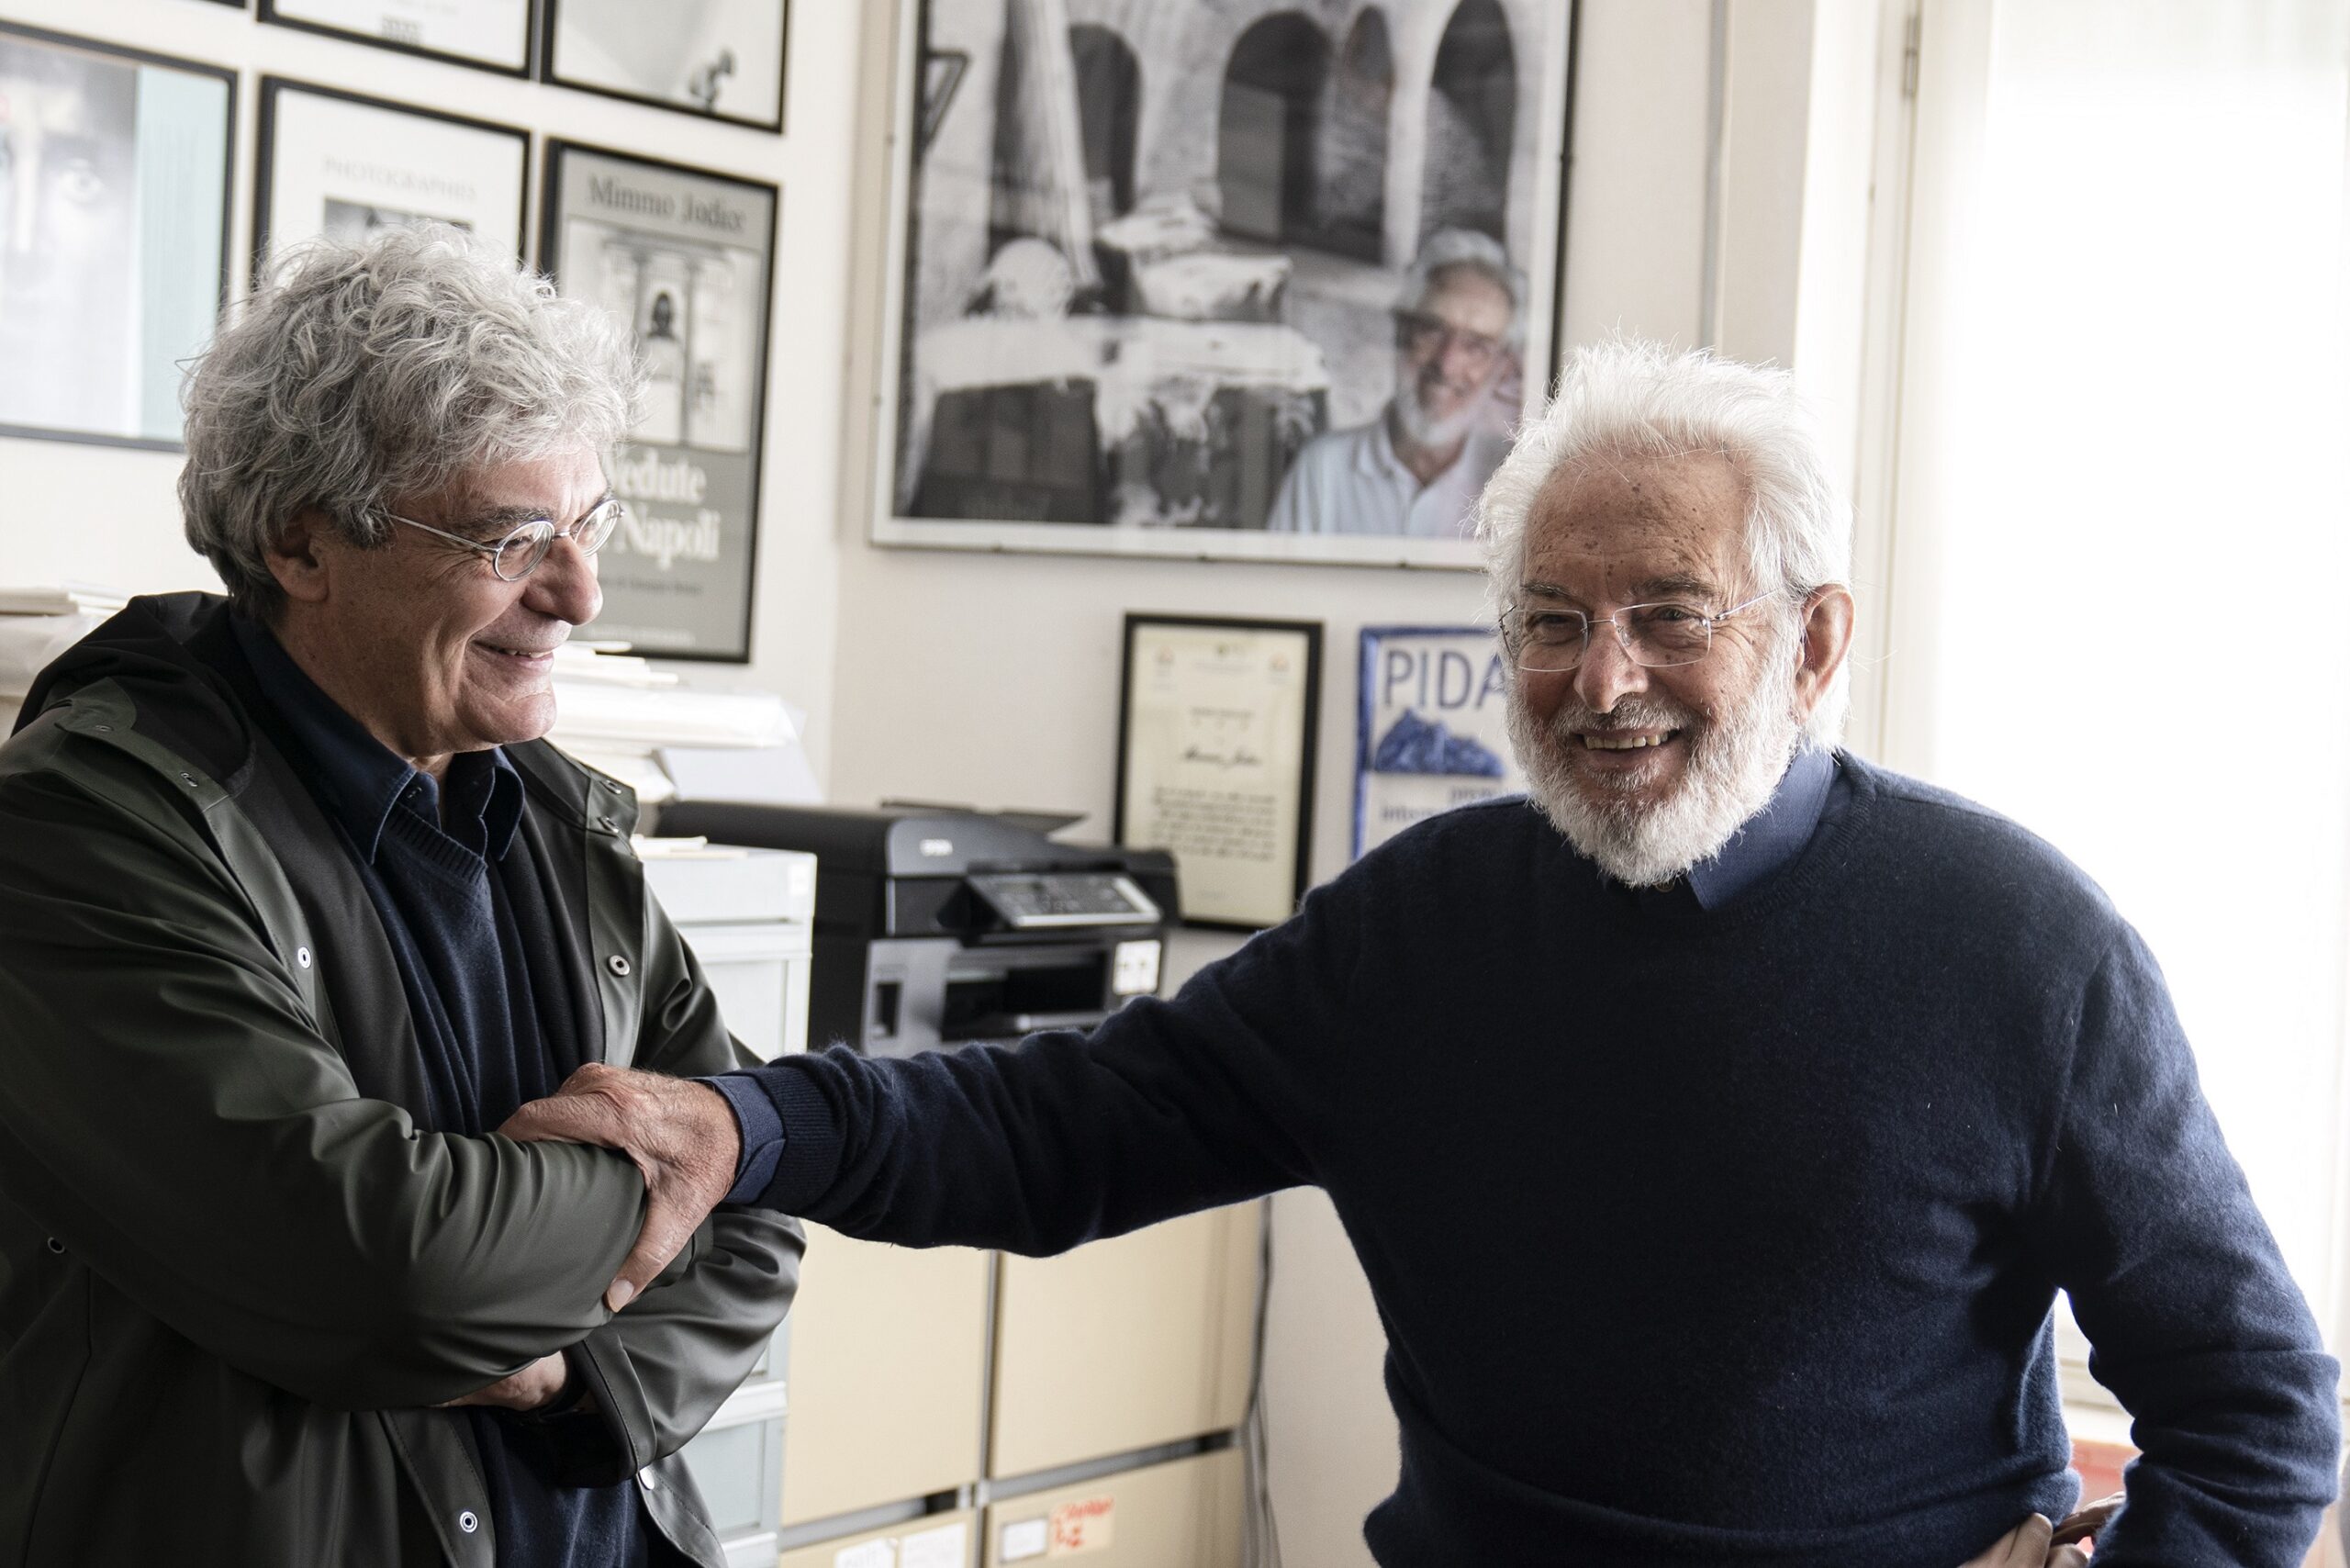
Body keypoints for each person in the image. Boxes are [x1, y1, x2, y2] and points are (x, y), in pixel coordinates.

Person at [508, 342, 2342, 1566]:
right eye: (1548, 619)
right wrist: (744, 1127)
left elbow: (2250, 1399)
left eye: (1665, 615)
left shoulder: (2017, 946)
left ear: (1808, 641)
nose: (1597, 678)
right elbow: (1062, 1118)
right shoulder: (1420, 929)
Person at [0, 226, 800, 1566]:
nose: (580, 592)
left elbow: (764, 1205)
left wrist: (582, 1380)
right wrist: (679, 1168)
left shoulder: (556, 815)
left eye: (590, 521)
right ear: (301, 543)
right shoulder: (85, 830)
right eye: (512, 539)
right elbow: (386, 1269)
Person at [1265, 228, 1521, 539]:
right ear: (1401, 331)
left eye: (1476, 346)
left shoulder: (1515, 482)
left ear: (1503, 367)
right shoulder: (1322, 470)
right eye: (1432, 330)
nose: (1446, 363)